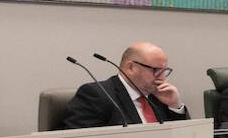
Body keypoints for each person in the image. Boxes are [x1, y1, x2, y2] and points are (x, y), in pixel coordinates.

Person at [63, 41, 191, 128]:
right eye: (156, 70)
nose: (162, 77)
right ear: (131, 67)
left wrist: (175, 106)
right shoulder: (96, 95)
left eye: (164, 71)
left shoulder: (159, 96)